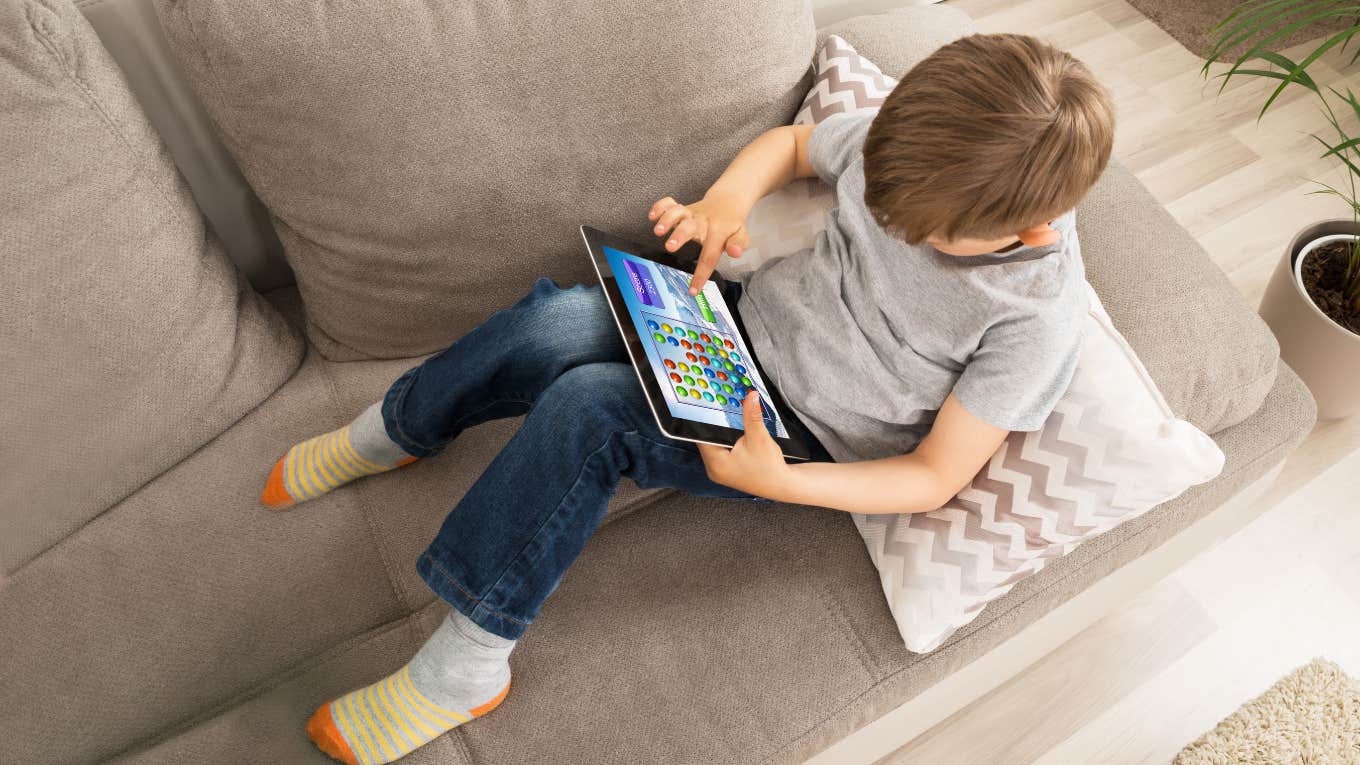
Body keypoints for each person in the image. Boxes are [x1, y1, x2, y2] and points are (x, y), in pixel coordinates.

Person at [271, 32, 1115, 765]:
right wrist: (725, 203)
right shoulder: (916, 151)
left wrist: (784, 482)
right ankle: (401, 424)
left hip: (793, 437)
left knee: (591, 408)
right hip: (738, 331)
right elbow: (792, 149)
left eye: (921, 232)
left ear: (1032, 229)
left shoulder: (1036, 316)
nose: (889, 225)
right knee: (558, 321)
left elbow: (935, 476)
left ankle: (465, 667)